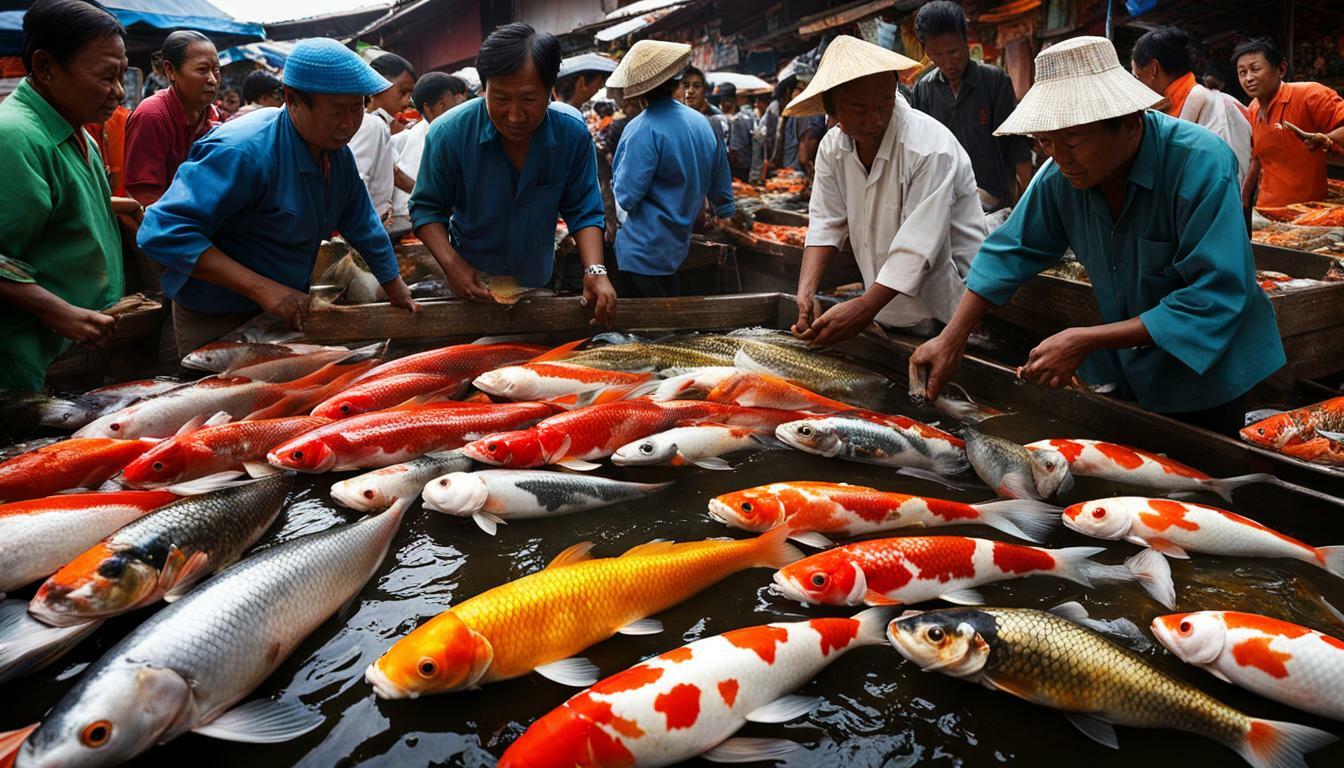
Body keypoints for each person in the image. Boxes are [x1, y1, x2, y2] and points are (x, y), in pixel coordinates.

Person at [911, 37, 1285, 435]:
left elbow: (1216, 293)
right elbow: (1009, 249)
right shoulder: (1060, 175)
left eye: (1072, 142)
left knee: (1206, 481)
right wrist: (952, 338)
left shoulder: (1201, 164)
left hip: (1209, 373)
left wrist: (1085, 340)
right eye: (1045, 142)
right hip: (1128, 370)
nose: (1059, 157)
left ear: (1129, 123)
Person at [137, 38, 419, 356]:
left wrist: (393, 282)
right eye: (338, 111)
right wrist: (262, 289)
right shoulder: (241, 151)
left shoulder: (335, 153)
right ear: (292, 99)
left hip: (281, 308)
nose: (349, 124)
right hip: (216, 315)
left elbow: (361, 220)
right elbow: (161, 232)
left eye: (357, 109)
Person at [410, 23, 615, 326]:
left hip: (538, 283)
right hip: (471, 286)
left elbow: (584, 210)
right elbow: (426, 208)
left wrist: (595, 271)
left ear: (550, 91)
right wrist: (453, 265)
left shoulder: (571, 133)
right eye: (502, 99)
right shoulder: (449, 134)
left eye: (530, 100)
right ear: (484, 89)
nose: (515, 115)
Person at [786, 36, 984, 347]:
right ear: (832, 110)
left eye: (885, 103)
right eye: (860, 109)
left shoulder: (929, 148)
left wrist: (864, 307)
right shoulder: (832, 148)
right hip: (885, 308)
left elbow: (916, 248)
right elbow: (826, 221)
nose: (875, 119)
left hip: (949, 312)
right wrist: (806, 292)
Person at [0, 0, 129, 389]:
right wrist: (58, 312)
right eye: (107, 77)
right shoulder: (15, 136)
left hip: (73, 355)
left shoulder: (76, 128)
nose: (118, 92)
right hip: (28, 365)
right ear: (45, 68)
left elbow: (53, 205)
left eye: (122, 76)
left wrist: (117, 206)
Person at [607, 40, 735, 298]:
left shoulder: (640, 129)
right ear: (678, 83)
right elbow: (721, 188)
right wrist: (724, 211)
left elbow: (626, 196)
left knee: (651, 332)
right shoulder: (705, 124)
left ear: (639, 91)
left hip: (642, 251)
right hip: (679, 248)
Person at [910, 1, 1032, 211]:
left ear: (966, 41)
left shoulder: (995, 82)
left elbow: (1016, 146)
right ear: (926, 51)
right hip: (945, 204)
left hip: (995, 204)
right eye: (937, 55)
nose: (948, 63)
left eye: (953, 52)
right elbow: (919, 153)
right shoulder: (923, 90)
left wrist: (1030, 201)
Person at [1131, 26, 1251, 186]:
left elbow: (1231, 179)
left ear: (1154, 69)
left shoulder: (1222, 107)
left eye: (1137, 76)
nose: (1135, 84)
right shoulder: (1162, 108)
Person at [1235, 37, 1344, 208]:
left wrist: (1326, 138)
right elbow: (1256, 158)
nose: (1248, 78)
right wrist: (1244, 199)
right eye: (1242, 72)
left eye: (1255, 69)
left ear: (1281, 69)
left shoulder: (1310, 94)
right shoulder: (1253, 108)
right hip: (1267, 209)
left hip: (1307, 213)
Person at [123, 30, 220, 207]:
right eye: (202, 70)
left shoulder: (212, 116)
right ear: (170, 71)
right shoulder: (152, 116)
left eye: (216, 70)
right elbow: (145, 198)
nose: (213, 79)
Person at [388, 73, 469, 234]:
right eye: (454, 103)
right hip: (413, 222)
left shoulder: (452, 133)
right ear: (440, 106)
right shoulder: (416, 136)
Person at [349, 52, 417, 226]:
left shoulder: (376, 123)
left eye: (410, 94)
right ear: (377, 85)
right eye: (402, 91)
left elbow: (395, 173)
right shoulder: (372, 125)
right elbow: (358, 180)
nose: (407, 101)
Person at [553, 52, 616, 120]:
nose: (599, 88)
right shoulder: (570, 120)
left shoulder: (556, 114)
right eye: (600, 82)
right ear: (583, 83)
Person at [717, 82, 755, 181]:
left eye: (722, 101)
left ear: (729, 101)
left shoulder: (738, 119)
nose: (720, 105)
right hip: (745, 166)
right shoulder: (748, 116)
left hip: (737, 168)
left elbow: (735, 151)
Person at [683, 66, 728, 144]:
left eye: (696, 86)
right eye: (686, 86)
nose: (690, 91)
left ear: (705, 90)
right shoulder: (678, 118)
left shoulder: (717, 119)